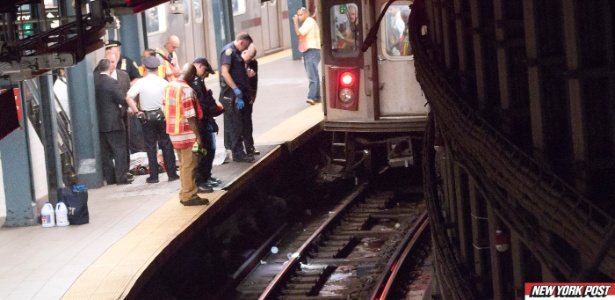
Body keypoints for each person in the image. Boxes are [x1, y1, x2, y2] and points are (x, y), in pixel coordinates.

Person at [126, 56, 179, 184]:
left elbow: (128, 97)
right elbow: (172, 98)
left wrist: (136, 111)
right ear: (157, 68)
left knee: (150, 146)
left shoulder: (141, 82)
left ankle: (154, 176)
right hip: (162, 116)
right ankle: (171, 174)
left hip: (146, 118)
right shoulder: (163, 82)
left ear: (144, 68)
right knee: (166, 143)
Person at [163, 63, 209, 206]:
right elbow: (190, 116)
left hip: (173, 132)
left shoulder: (169, 86)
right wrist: (198, 137)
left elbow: (164, 107)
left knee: (183, 165)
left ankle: (184, 192)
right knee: (190, 165)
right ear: (191, 76)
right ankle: (189, 196)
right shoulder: (186, 90)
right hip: (187, 133)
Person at [94, 58, 139, 185]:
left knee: (105, 153)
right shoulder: (112, 82)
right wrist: (125, 106)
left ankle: (110, 179)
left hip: (99, 123)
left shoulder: (93, 81)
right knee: (119, 150)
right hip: (114, 122)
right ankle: (121, 178)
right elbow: (121, 99)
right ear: (109, 68)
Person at [219, 32, 255, 163]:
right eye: (245, 46)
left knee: (240, 123)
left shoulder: (236, 52)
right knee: (235, 125)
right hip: (231, 95)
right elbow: (225, 72)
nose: (245, 50)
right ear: (241, 42)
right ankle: (238, 153)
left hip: (239, 94)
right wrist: (235, 89)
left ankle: (240, 152)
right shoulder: (229, 52)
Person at [191, 57, 223, 193]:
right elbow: (201, 104)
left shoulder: (199, 82)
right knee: (202, 153)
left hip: (205, 121)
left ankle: (206, 177)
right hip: (199, 123)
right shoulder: (193, 82)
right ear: (199, 66)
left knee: (209, 150)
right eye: (205, 70)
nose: (206, 74)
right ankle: (200, 180)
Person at [292, 7, 322, 105]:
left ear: (306, 14)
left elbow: (298, 33)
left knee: (311, 75)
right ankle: (317, 96)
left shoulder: (309, 22)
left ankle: (311, 97)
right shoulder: (308, 22)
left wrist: (295, 23)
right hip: (310, 50)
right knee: (315, 74)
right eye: (298, 15)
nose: (299, 17)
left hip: (311, 50)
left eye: (301, 15)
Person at [241, 44, 259, 156]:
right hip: (237, 96)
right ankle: (237, 149)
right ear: (244, 52)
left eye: (253, 56)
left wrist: (253, 95)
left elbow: (255, 80)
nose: (252, 59)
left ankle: (249, 146)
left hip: (247, 95)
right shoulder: (235, 62)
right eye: (251, 55)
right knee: (237, 123)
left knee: (247, 121)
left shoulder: (253, 63)